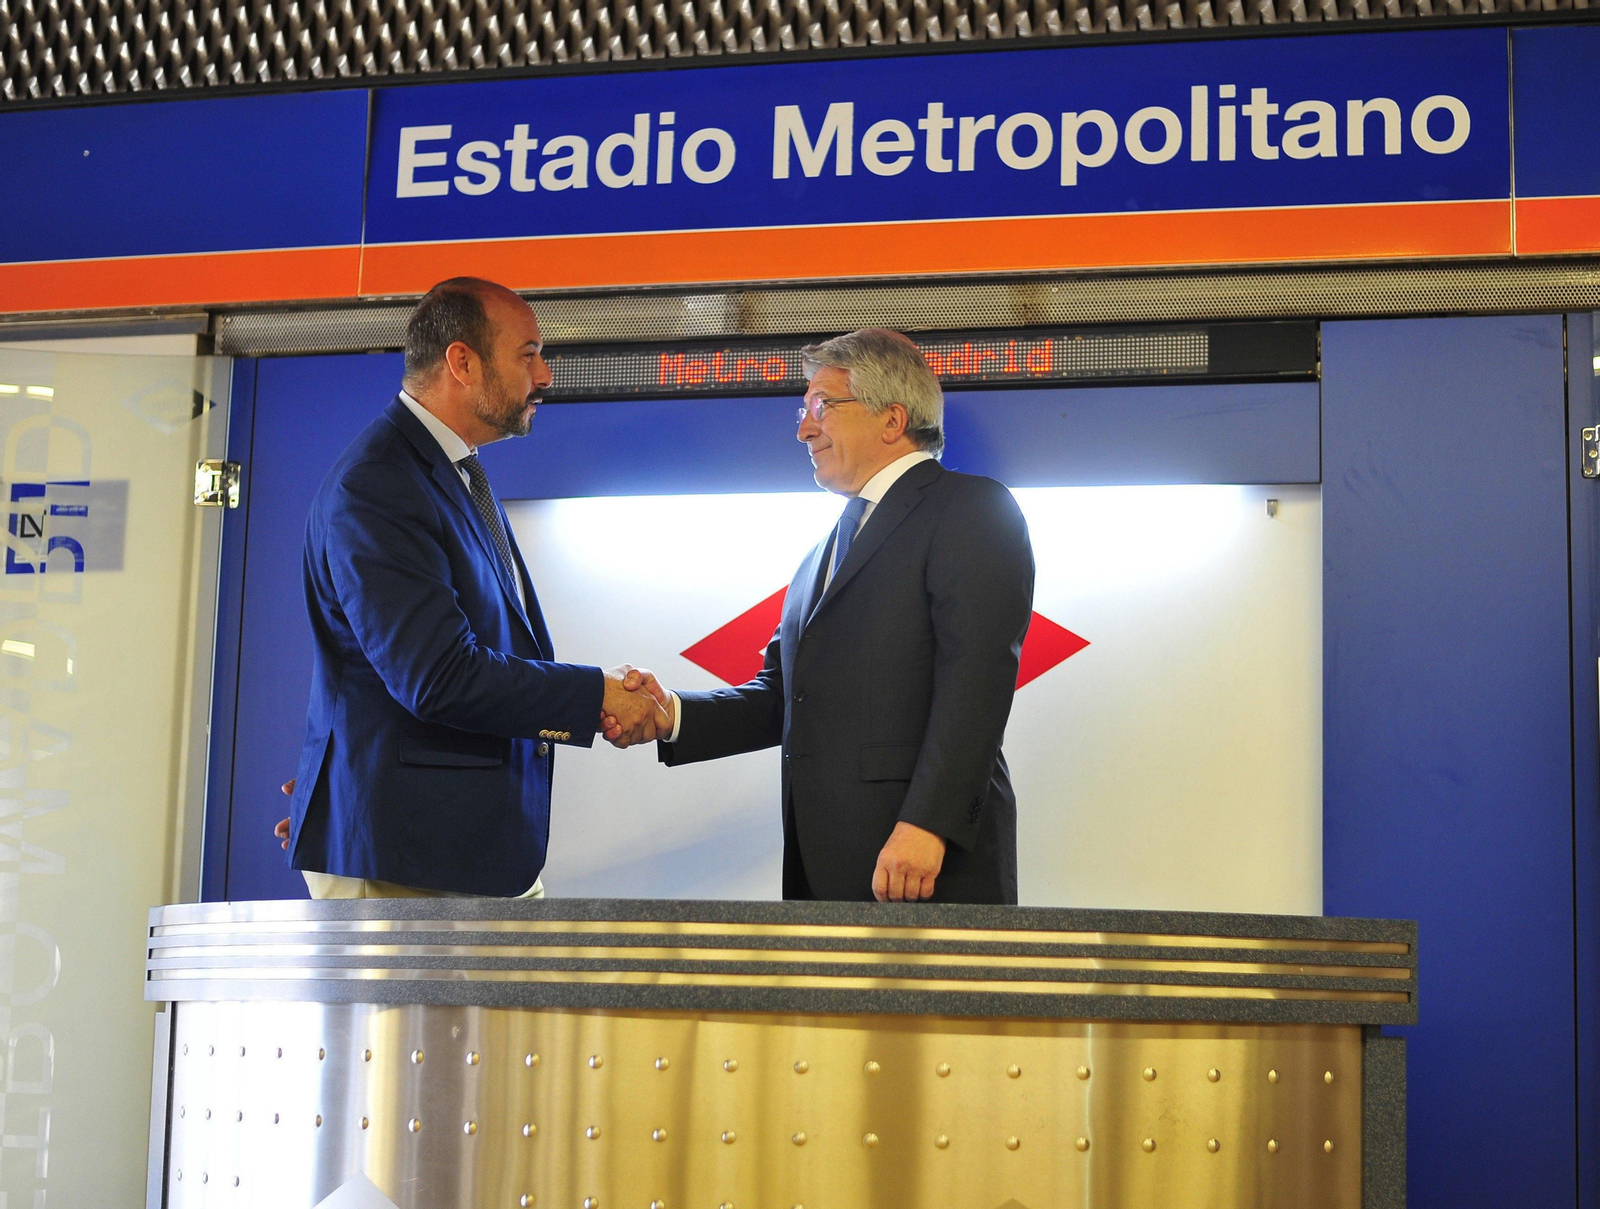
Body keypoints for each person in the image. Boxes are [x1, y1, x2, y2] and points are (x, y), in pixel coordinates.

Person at [610, 329, 1035, 903]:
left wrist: (928, 825)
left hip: (920, 864)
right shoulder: (823, 552)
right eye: (802, 409)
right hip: (825, 866)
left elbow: (977, 683)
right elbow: (782, 697)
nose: (804, 427)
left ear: (891, 420)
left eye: (821, 406)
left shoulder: (971, 508)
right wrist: (670, 716)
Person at [277, 277, 667, 899]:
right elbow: (437, 677)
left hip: (452, 853)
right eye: (527, 355)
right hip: (406, 860)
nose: (544, 376)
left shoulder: (450, 474)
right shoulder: (380, 484)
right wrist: (595, 693)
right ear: (462, 362)